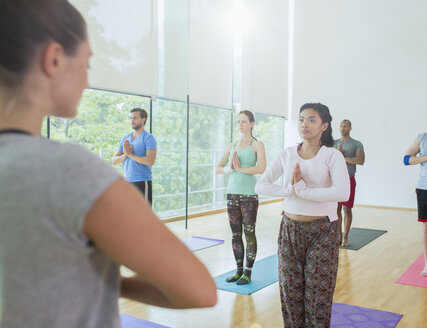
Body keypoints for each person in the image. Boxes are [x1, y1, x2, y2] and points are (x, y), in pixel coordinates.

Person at [0, 1, 216, 327]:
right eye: (86, 64)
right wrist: (109, 279)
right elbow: (199, 291)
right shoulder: (68, 169)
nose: (87, 82)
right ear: (54, 59)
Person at [255, 103, 350, 327]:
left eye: (311, 120)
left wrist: (305, 192)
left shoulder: (332, 156)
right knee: (291, 293)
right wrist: (289, 190)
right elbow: (262, 185)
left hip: (322, 232)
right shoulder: (287, 154)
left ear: (324, 126)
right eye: (301, 119)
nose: (304, 124)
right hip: (289, 229)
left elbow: (342, 192)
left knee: (318, 298)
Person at [215, 110, 266, 285]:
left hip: (249, 194)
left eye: (244, 121)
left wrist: (240, 168)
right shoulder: (232, 145)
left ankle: (248, 273)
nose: (240, 125)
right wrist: (231, 168)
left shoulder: (257, 144)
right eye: (238, 122)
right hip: (232, 193)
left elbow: (261, 169)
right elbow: (218, 168)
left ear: (252, 123)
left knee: (249, 232)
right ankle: (238, 271)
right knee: (235, 234)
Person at [112, 108, 157, 205]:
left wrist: (130, 155)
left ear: (143, 119)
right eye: (131, 118)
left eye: (135, 118)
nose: (132, 121)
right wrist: (125, 155)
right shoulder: (126, 138)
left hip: (141, 182)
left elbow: (150, 161)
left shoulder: (148, 138)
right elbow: (114, 161)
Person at [334, 119, 365, 246]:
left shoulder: (356, 144)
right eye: (341, 126)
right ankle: (338, 237)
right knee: (336, 210)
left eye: (345, 126)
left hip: (349, 179)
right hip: (335, 181)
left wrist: (342, 157)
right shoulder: (334, 143)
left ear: (350, 128)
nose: (342, 128)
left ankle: (345, 238)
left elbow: (361, 160)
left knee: (347, 210)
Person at [404, 133, 427, 276]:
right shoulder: (422, 138)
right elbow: (406, 159)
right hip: (425, 187)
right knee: (426, 228)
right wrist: (425, 158)